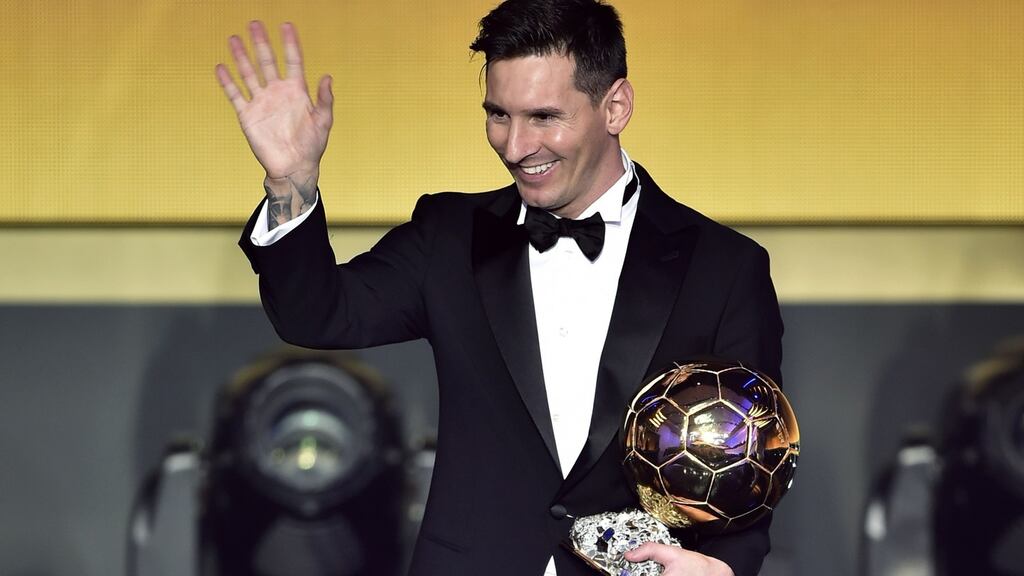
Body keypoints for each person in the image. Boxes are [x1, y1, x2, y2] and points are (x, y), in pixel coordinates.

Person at [216, 1, 783, 575]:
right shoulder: (449, 237)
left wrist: (724, 569)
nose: (515, 147)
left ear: (615, 107)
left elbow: (755, 456)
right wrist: (291, 182)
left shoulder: (723, 268)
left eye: (543, 117)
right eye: (498, 116)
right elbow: (316, 315)